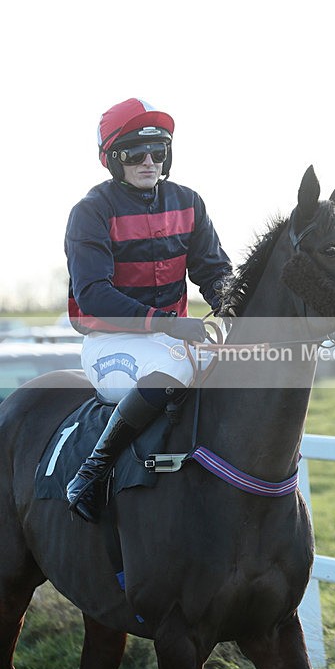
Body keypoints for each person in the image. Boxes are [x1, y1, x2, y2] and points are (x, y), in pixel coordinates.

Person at [64, 98, 232, 523]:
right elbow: (93, 295)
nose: (149, 162)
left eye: (158, 152)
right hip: (111, 341)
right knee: (171, 369)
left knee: (242, 370)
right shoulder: (91, 212)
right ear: (112, 159)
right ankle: (91, 472)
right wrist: (167, 325)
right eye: (135, 154)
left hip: (171, 337)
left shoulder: (189, 202)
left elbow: (214, 272)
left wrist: (233, 306)